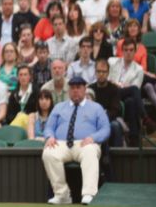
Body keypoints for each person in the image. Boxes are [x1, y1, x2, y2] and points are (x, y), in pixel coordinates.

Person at [42, 76, 110, 205]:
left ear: (85, 89)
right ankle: (62, 195)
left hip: (85, 143)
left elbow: (106, 128)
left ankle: (89, 193)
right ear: (68, 90)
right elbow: (49, 127)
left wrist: (93, 138)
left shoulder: (96, 108)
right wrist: (50, 136)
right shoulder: (59, 107)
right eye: (72, 88)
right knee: (48, 152)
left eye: (78, 87)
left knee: (90, 151)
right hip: (61, 143)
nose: (75, 91)